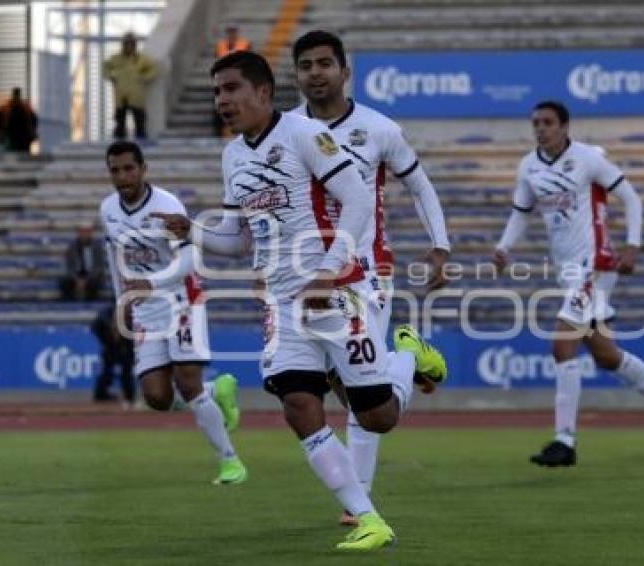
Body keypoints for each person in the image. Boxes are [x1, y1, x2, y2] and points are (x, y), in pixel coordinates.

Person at [153, 50, 447, 551]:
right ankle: (368, 517)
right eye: (217, 91)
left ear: (264, 93)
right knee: (297, 402)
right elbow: (239, 240)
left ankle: (403, 355)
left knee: (378, 417)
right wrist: (194, 232)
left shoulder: (305, 135)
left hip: (338, 289)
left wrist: (328, 273)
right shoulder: (233, 157)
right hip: (283, 302)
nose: (222, 100)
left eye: (231, 89)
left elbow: (356, 200)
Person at [291, 29, 451, 526]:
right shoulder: (287, 130)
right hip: (308, 273)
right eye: (306, 65)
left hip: (368, 271)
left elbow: (420, 188)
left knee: (364, 398)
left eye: (324, 63)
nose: (315, 73)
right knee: (346, 391)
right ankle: (408, 356)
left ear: (345, 71)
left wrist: (440, 246)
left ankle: (356, 503)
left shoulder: (378, 128)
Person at [493, 100, 644, 467]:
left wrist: (632, 246)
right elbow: (521, 214)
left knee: (561, 347)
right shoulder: (529, 166)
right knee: (605, 355)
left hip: (596, 263)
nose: (541, 128)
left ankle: (564, 441)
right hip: (568, 271)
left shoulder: (588, 159)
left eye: (548, 122)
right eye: (536, 122)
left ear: (565, 126)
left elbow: (631, 198)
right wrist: (503, 248)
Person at [100, 140, 247, 485]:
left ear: (143, 169)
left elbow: (189, 260)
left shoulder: (166, 205)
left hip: (181, 298)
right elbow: (114, 259)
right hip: (146, 309)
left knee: (187, 381)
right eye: (115, 170)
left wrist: (152, 283)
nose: (122, 177)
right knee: (157, 397)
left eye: (128, 168)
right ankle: (216, 393)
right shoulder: (107, 209)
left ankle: (230, 461)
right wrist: (120, 301)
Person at [103, 33, 158, 140]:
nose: (128, 47)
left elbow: (154, 69)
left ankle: (140, 140)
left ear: (134, 45)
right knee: (120, 121)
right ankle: (120, 141)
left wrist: (144, 78)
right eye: (126, 44)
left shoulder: (141, 59)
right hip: (121, 95)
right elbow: (105, 67)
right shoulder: (116, 59)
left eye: (131, 44)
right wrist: (111, 76)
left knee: (139, 120)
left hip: (136, 95)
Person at [91, 303, 136, 406]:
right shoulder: (104, 317)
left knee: (126, 371)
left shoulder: (132, 318)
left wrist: (127, 345)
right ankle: (100, 394)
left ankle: (129, 396)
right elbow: (95, 327)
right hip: (110, 346)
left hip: (125, 347)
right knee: (107, 371)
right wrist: (107, 340)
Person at [214, 24, 253, 136]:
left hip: (240, 81)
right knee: (221, 106)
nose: (231, 34)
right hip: (223, 80)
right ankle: (221, 132)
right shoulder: (220, 46)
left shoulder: (245, 44)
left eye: (233, 32)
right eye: (229, 32)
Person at [59, 222, 106, 301]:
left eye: (87, 231)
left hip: (91, 276)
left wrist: (86, 280)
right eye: (82, 231)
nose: (84, 234)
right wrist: (77, 279)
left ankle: (91, 300)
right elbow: (69, 266)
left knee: (95, 283)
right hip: (76, 276)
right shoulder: (72, 247)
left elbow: (98, 267)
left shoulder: (97, 247)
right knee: (64, 281)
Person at [0, 87, 38, 153]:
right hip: (20, 139)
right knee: (20, 157)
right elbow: (34, 121)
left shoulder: (6, 107)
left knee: (11, 156)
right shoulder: (25, 107)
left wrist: (1, 134)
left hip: (14, 138)